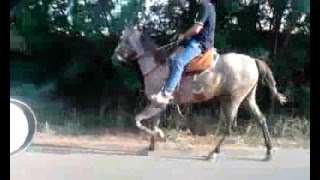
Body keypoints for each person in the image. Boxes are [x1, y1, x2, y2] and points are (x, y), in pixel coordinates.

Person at [150, 0, 217, 105]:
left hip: (200, 43)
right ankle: (173, 89)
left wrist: (184, 35)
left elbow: (196, 29)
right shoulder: (207, 7)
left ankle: (166, 94)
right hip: (195, 41)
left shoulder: (205, 6)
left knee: (178, 61)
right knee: (171, 59)